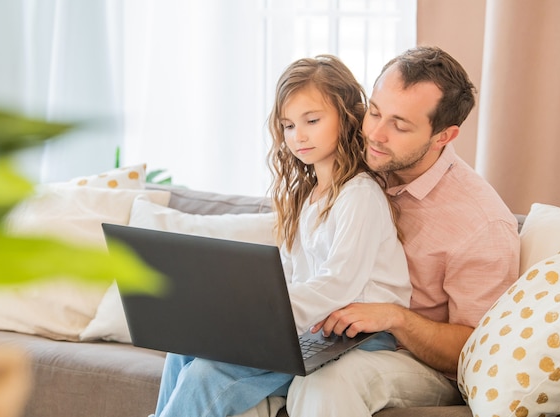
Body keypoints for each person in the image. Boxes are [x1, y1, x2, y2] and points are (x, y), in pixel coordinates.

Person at [149, 55, 412, 417]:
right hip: (309, 330)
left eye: (312, 121)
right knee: (184, 348)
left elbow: (338, 285)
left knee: (208, 375)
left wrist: (263, 313)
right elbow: (289, 277)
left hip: (358, 338)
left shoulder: (360, 194)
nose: (297, 136)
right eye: (288, 125)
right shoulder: (307, 197)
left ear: (348, 116)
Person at [284, 46, 521, 416]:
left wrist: (395, 317)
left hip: (419, 365)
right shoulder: (357, 163)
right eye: (375, 112)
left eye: (400, 124)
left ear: (444, 135)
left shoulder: (482, 223)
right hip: (335, 338)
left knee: (327, 381)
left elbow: (476, 349)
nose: (375, 134)